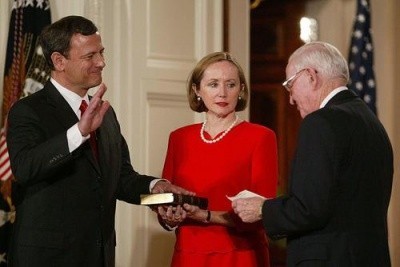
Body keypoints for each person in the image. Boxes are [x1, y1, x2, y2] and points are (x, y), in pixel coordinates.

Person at [5, 15, 192, 267]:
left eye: (101, 52)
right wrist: (79, 132)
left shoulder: (104, 112)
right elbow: (25, 168)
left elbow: (120, 178)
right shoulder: (27, 110)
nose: (101, 62)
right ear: (59, 61)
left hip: (98, 257)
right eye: (90, 56)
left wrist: (155, 188)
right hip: (47, 259)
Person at [232, 41, 393, 266]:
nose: (290, 98)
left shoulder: (321, 122)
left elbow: (309, 208)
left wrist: (262, 208)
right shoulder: (371, 122)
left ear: (311, 76)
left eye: (290, 85)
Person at [157, 52, 278, 267]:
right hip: (188, 255)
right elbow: (166, 199)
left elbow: (262, 213)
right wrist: (168, 218)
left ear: (241, 90)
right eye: (213, 84)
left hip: (240, 255)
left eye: (230, 85)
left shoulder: (261, 137)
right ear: (197, 90)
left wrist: (204, 215)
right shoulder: (179, 138)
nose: (222, 93)